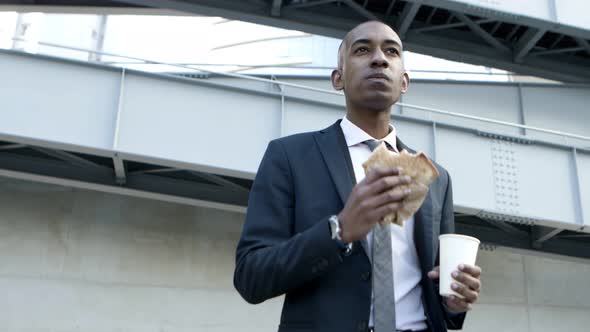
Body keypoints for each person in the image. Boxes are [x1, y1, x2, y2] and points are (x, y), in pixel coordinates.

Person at [233, 20, 482, 332]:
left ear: (404, 81)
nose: (379, 59)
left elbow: (438, 288)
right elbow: (251, 277)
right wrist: (339, 230)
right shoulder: (289, 156)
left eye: (392, 52)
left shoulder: (437, 179)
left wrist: (452, 303)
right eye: (362, 50)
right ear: (338, 78)